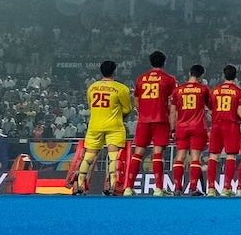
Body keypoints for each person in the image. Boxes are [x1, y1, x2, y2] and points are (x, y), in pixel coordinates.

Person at [74, 60, 133, 196]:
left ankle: (80, 184)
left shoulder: (92, 87)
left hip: (95, 125)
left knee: (88, 156)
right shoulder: (121, 88)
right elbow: (127, 109)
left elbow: (91, 106)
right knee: (113, 157)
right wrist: (117, 116)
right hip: (114, 126)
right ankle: (113, 185)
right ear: (115, 71)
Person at [129, 51, 177, 195]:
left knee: (138, 152)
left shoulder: (141, 78)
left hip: (144, 120)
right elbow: (173, 102)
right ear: (164, 62)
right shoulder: (169, 79)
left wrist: (143, 110)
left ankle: (128, 188)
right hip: (160, 119)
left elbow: (136, 99)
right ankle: (158, 188)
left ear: (150, 62)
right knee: (158, 153)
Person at [171, 65, 210, 195]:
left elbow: (173, 111)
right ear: (201, 76)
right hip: (197, 126)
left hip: (181, 126)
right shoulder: (203, 89)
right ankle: (193, 187)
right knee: (195, 157)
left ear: (189, 73)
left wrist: (172, 129)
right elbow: (210, 106)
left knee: (180, 156)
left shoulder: (178, 90)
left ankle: (177, 187)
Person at [207, 67, 241, 196]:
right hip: (231, 125)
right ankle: (226, 188)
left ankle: (210, 188)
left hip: (216, 124)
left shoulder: (214, 90)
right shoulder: (239, 92)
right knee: (231, 156)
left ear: (224, 75)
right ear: (235, 76)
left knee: (213, 156)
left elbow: (210, 108)